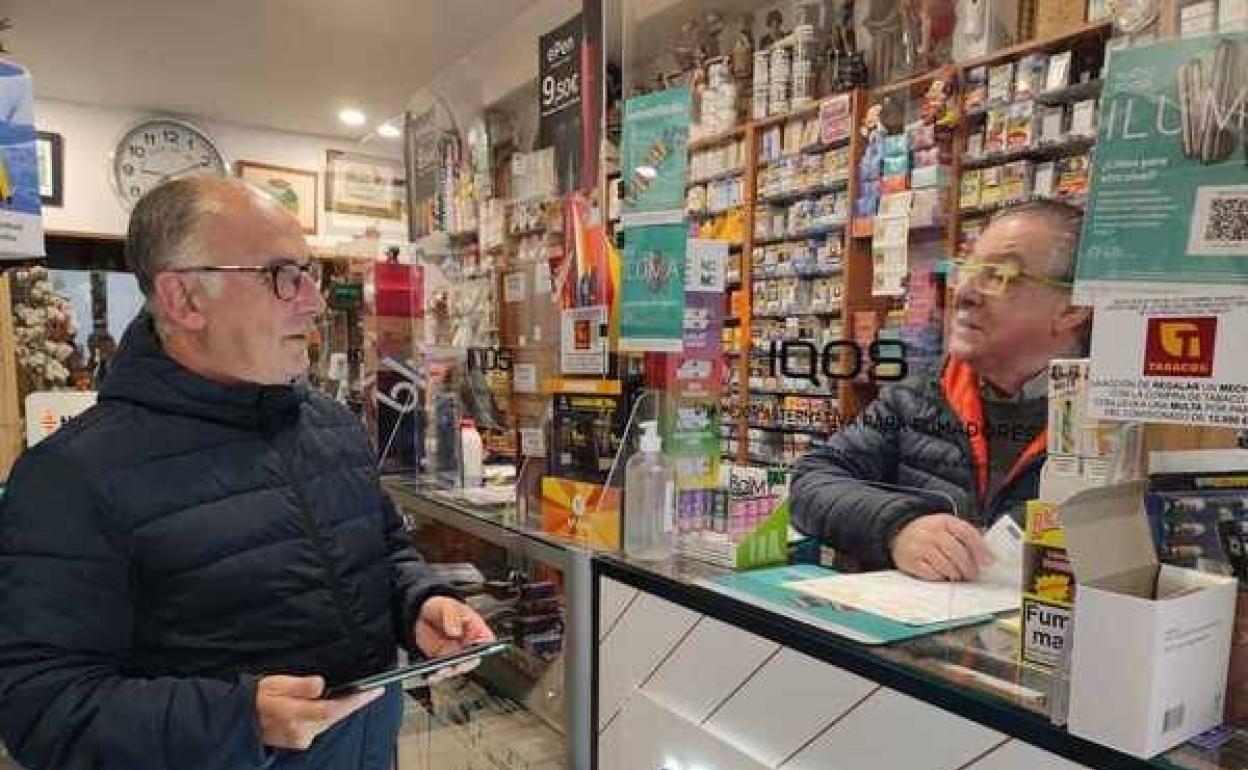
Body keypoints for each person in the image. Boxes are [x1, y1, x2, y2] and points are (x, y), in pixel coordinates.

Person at [0, 177, 494, 770]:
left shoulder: (331, 425)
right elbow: (41, 706)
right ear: (185, 300)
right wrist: (236, 720)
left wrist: (418, 604)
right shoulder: (70, 478)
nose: (312, 300)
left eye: (310, 273)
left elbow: (382, 552)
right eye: (283, 276)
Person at [790, 200, 1090, 582]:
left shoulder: (1116, 424)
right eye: (967, 270)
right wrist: (898, 528)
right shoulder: (915, 397)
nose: (964, 292)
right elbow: (811, 480)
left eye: (999, 275)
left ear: (1072, 308)